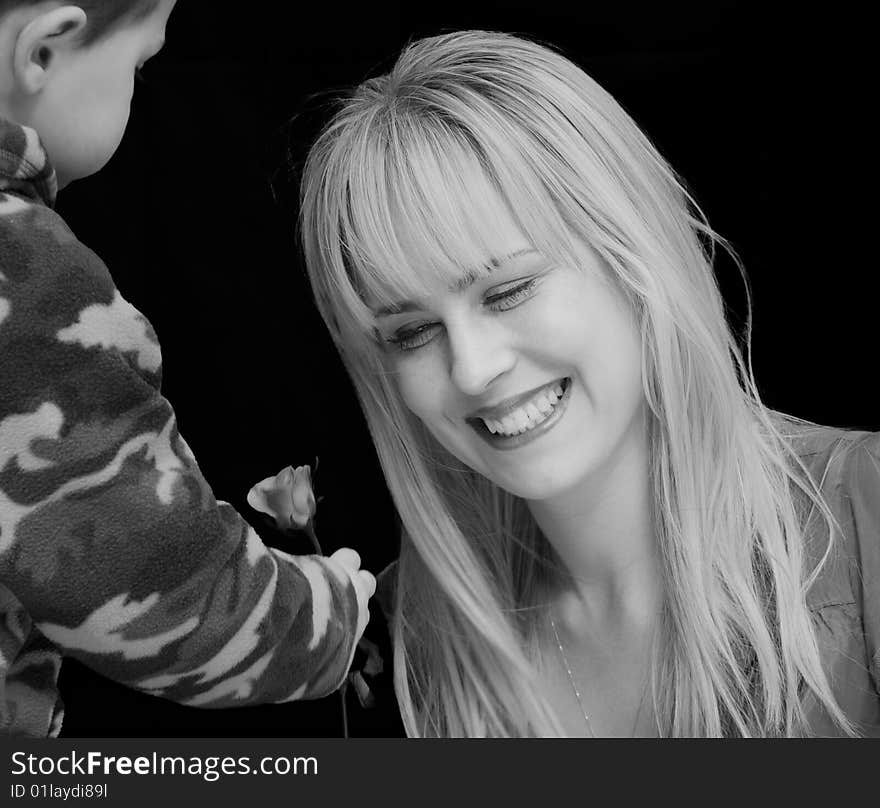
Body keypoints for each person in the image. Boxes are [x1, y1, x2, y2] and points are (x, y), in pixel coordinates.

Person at [298, 30, 879, 737]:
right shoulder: (415, 633)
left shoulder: (864, 514)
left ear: (635, 258)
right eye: (412, 333)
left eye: (508, 290)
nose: (473, 369)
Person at [0, 0, 375, 737]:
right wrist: (326, 619)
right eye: (140, 64)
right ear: (44, 52)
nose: (139, 88)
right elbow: (154, 585)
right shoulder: (29, 280)